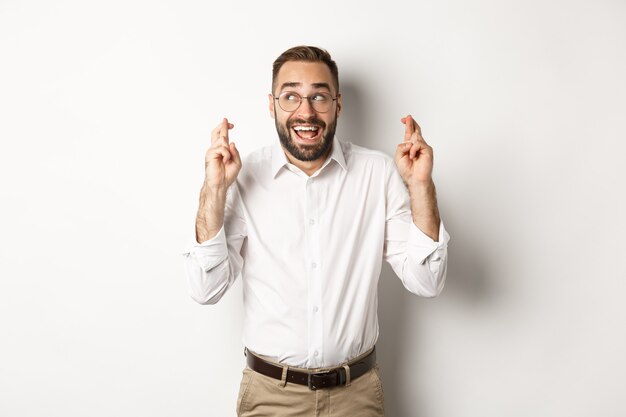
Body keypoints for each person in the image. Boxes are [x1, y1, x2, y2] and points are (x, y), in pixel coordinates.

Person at [183, 45, 449, 417]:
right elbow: (204, 289)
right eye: (290, 96)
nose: (305, 112)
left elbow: (427, 281)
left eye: (319, 97)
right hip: (269, 397)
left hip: (356, 397)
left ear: (337, 104)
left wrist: (421, 186)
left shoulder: (377, 174)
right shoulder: (241, 177)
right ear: (272, 104)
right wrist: (214, 189)